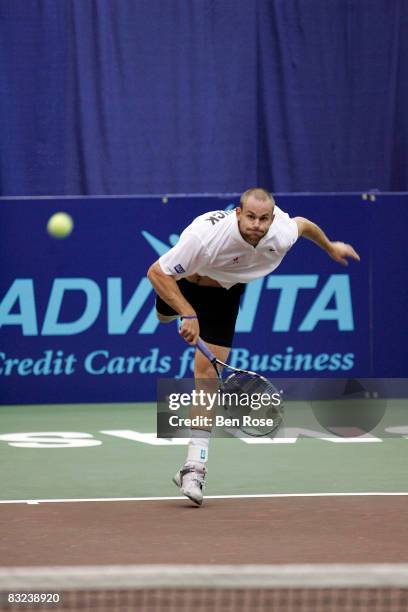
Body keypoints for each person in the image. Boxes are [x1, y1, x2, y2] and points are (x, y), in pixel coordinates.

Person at [147, 188, 360, 505]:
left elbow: (303, 224)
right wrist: (188, 312)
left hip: (225, 294)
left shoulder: (282, 233)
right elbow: (156, 272)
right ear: (238, 213)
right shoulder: (205, 237)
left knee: (207, 377)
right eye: (250, 216)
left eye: (263, 218)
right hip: (185, 283)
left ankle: (193, 468)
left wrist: (330, 247)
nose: (257, 225)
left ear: (271, 219)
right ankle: (169, 310)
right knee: (164, 316)